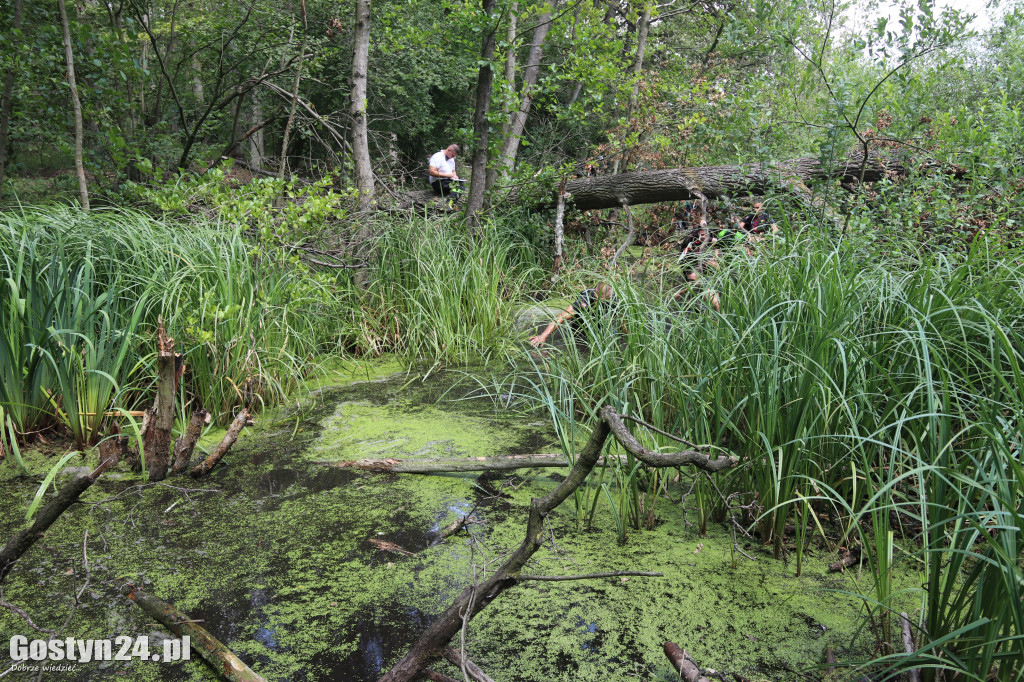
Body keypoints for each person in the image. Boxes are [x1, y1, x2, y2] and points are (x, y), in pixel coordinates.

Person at [529, 282, 616, 347]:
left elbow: (623, 322)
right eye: (598, 300)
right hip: (580, 327)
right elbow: (562, 316)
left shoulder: (615, 302)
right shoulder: (585, 299)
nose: (599, 303)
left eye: (603, 301)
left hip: (600, 329)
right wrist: (543, 335)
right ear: (595, 294)